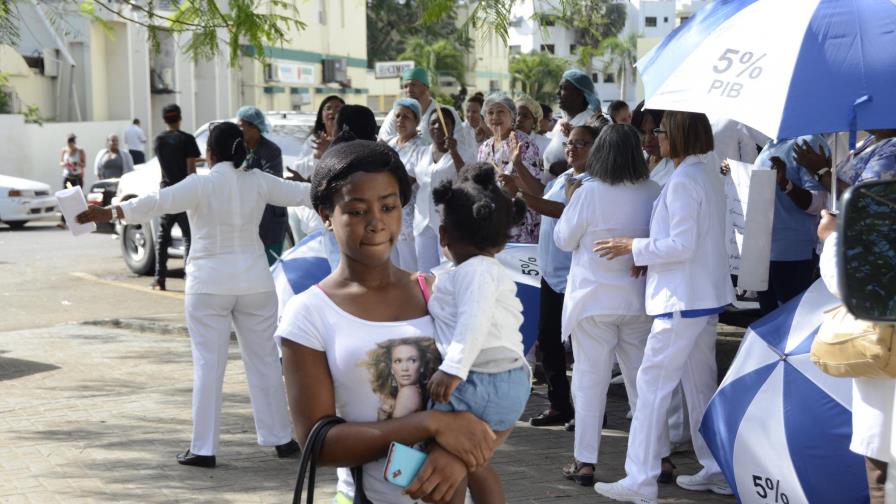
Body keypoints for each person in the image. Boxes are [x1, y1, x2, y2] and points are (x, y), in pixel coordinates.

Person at [76, 122, 310, 468]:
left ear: (209, 153)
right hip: (256, 283)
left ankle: (203, 449)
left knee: (208, 365)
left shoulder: (199, 184)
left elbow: (153, 202)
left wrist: (107, 213)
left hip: (208, 285)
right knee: (263, 361)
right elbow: (305, 193)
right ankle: (281, 440)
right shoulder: (259, 180)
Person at [277, 139, 499, 504]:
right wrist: (431, 425)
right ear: (325, 216)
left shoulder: (437, 292)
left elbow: (495, 393)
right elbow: (317, 443)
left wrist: (456, 457)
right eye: (357, 210)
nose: (377, 223)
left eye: (389, 206)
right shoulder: (309, 313)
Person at [593, 111, 734, 504]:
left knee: (652, 386)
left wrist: (632, 246)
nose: (656, 136)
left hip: (683, 300)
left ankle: (640, 479)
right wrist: (643, 247)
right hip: (699, 297)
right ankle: (716, 468)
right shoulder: (700, 174)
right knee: (700, 387)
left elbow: (681, 245)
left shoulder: (686, 180)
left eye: (662, 130)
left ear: (679, 136)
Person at [553, 124, 660, 486]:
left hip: (593, 299)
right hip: (637, 298)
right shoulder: (654, 190)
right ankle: (658, 456)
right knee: (642, 383)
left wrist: (570, 202)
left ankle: (585, 461)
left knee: (589, 382)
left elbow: (564, 240)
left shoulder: (587, 192)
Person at [427, 162, 531, 503]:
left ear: (443, 235)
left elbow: (474, 321)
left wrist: (451, 369)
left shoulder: (475, 271)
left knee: (441, 453)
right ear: (502, 244)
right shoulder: (485, 269)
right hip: (507, 382)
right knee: (475, 462)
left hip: (478, 380)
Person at [499, 126, 601, 431]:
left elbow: (559, 210)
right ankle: (560, 406)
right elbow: (542, 193)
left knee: (582, 350)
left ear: (597, 148)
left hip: (574, 276)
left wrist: (520, 195)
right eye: (569, 143)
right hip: (550, 274)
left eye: (581, 144)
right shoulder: (564, 177)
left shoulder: (593, 183)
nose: (572, 148)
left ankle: (591, 412)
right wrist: (517, 167)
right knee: (550, 343)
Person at [754, 135, 829, 315]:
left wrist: (786, 185)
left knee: (789, 323)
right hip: (762, 251)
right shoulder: (770, 143)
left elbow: (820, 202)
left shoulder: (808, 142)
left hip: (793, 254)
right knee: (768, 322)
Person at [477, 93, 541, 243]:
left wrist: (512, 181)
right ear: (485, 119)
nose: (495, 117)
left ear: (512, 116)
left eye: (501, 112)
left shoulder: (524, 144)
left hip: (520, 220)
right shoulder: (484, 148)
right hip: (493, 220)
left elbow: (534, 188)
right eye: (490, 112)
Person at [152, 104, 201, 291]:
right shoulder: (187, 140)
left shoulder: (158, 141)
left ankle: (159, 278)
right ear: (180, 118)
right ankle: (189, 278)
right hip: (184, 192)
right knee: (188, 236)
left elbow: (166, 166)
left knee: (163, 236)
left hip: (166, 192)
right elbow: (191, 171)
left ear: (164, 120)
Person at [413, 106, 466, 273]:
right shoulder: (421, 153)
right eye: (433, 123)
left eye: (444, 123)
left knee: (448, 270)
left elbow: (467, 177)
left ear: (452, 127)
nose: (437, 127)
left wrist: (454, 152)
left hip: (448, 221)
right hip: (422, 221)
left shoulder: (463, 152)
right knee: (424, 271)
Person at [237, 106, 289, 266]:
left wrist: (246, 174)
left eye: (241, 126)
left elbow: (270, 182)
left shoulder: (271, 151)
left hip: (269, 222)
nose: (238, 131)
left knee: (269, 269)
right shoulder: (238, 150)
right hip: (245, 222)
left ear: (254, 127)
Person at [386, 98, 430, 272]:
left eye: (406, 117)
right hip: (387, 215)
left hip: (409, 216)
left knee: (410, 269)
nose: (400, 120)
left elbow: (408, 179)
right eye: (397, 116)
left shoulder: (422, 146)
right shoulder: (389, 145)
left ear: (417, 121)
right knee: (393, 268)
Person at [542, 69, 606, 178]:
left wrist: (563, 167)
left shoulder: (593, 121)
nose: (558, 93)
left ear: (580, 94)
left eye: (564, 88)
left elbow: (601, 159)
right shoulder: (565, 121)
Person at [793, 129, 896, 193]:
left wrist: (821, 172)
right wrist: (826, 169)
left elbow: (864, 197)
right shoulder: (871, 139)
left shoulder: (892, 150)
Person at [366, 337, 442, 421]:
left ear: (422, 366)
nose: (405, 368)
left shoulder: (409, 392)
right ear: (391, 368)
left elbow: (393, 432)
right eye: (398, 361)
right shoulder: (407, 394)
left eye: (412, 360)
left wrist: (382, 421)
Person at [378, 67, 438, 144]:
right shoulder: (396, 113)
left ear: (426, 87)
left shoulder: (442, 113)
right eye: (405, 86)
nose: (409, 90)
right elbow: (382, 140)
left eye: (413, 85)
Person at [292, 95, 345, 181]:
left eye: (338, 109)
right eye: (328, 108)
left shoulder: (349, 140)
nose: (333, 111)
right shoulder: (313, 140)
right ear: (322, 117)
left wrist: (329, 152)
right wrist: (316, 156)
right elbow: (298, 169)